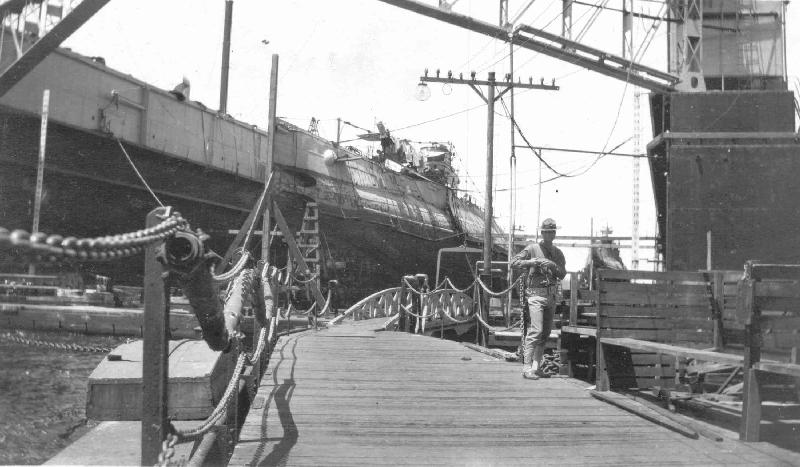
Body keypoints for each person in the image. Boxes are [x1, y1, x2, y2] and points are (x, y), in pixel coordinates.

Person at [510, 218, 566, 380]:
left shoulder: (557, 253)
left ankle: (536, 367)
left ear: (555, 233)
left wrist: (552, 266)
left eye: (552, 231)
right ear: (542, 233)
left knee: (545, 333)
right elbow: (513, 262)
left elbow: (562, 274)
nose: (550, 234)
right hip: (535, 295)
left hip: (551, 295)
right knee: (536, 330)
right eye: (547, 231)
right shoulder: (532, 248)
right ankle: (526, 368)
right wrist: (531, 262)